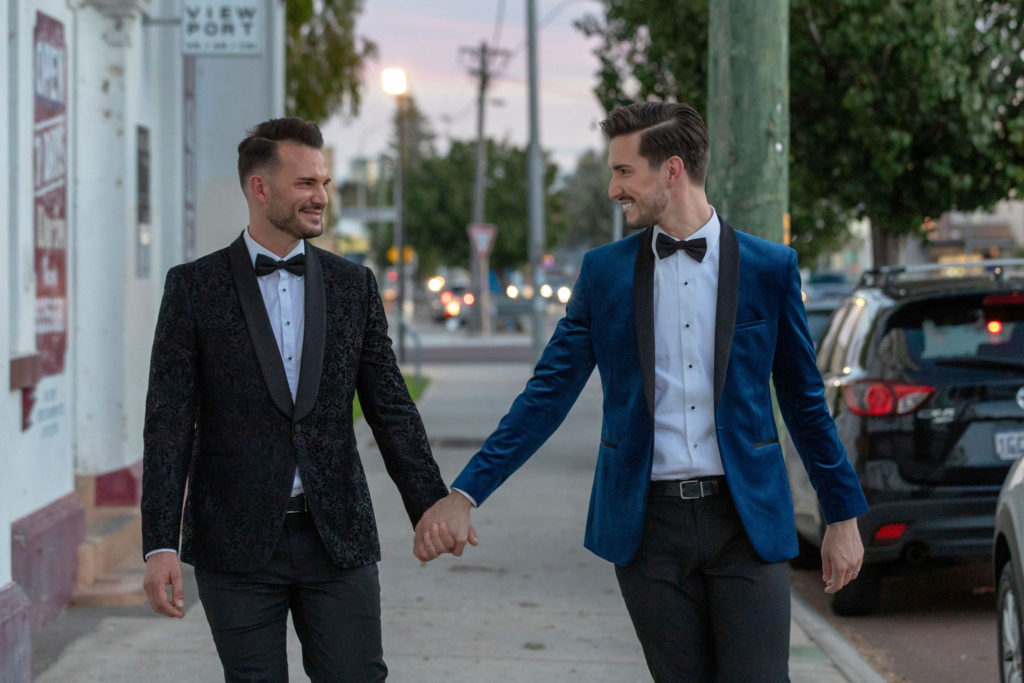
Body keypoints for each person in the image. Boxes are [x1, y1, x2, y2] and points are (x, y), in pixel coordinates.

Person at [413, 101, 868, 681]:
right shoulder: (605, 274)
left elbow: (804, 399)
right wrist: (466, 492)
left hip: (745, 521)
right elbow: (546, 395)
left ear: (671, 170)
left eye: (624, 172)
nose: (612, 189)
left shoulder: (769, 267)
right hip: (647, 528)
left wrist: (842, 513)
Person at [141, 117, 448, 682]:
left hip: (338, 537)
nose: (321, 197)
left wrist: (429, 501)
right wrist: (158, 544)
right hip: (233, 544)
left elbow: (391, 407)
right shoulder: (193, 289)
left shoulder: (353, 286)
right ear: (261, 189)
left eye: (324, 183)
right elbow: (167, 425)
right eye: (306, 183)